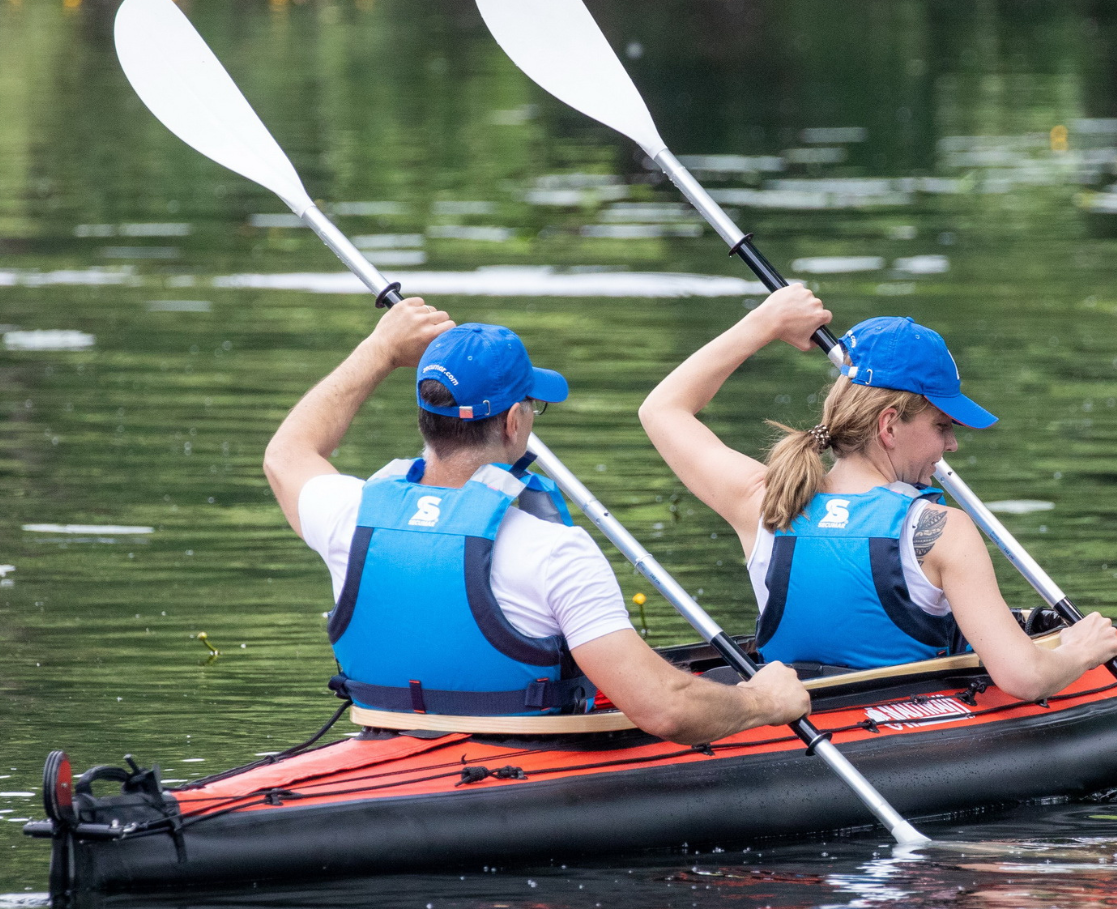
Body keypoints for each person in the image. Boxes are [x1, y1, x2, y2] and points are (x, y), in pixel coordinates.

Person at [263, 297, 810, 743]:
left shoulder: (350, 515)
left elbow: (286, 455)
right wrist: (760, 701)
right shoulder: (553, 551)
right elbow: (663, 710)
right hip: (518, 766)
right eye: (532, 405)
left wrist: (380, 349)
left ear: (425, 418)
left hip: (387, 744)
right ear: (513, 422)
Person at [638, 284, 1117, 698]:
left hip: (795, 725)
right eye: (942, 425)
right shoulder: (941, 530)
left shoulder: (767, 502)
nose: (951, 444)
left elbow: (662, 410)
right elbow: (1023, 677)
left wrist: (764, 323)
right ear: (889, 425)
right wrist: (1079, 649)